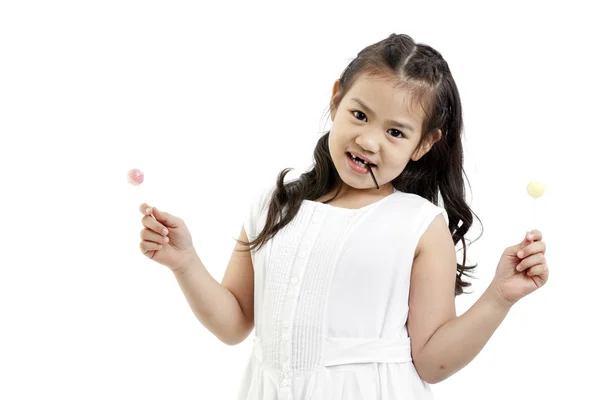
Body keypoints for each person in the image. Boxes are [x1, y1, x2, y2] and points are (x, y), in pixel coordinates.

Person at [137, 33, 549, 399]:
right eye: (360, 114)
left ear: (424, 144)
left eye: (396, 132)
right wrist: (186, 264)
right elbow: (234, 325)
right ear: (336, 99)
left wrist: (499, 297)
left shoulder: (418, 225)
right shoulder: (272, 205)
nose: (368, 140)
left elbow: (432, 362)